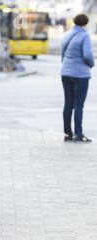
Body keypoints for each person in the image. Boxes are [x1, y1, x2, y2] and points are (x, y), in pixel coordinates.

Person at [61, 14, 95, 143]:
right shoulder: (84, 36)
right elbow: (87, 55)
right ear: (85, 23)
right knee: (79, 105)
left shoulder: (67, 34)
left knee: (68, 104)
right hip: (80, 74)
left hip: (65, 72)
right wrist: (91, 64)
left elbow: (63, 54)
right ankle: (78, 133)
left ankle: (68, 133)